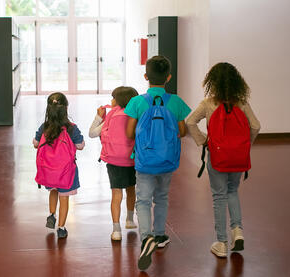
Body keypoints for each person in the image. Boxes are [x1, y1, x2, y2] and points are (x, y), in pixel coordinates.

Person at [186, 62, 261, 257]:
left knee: (219, 196)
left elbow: (190, 122)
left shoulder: (208, 104)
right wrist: (244, 146)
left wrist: (203, 141)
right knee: (232, 191)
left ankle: (221, 242)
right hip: (237, 158)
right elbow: (256, 126)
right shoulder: (242, 103)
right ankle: (238, 230)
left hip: (217, 157)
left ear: (213, 83)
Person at [125, 56, 191, 270]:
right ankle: (160, 234)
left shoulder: (137, 102)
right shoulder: (176, 101)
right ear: (168, 77)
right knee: (161, 196)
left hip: (144, 160)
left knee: (143, 200)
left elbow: (129, 133)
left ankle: (147, 239)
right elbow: (182, 131)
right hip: (167, 160)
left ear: (146, 76)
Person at [88, 86, 139, 241]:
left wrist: (98, 117)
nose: (110, 100)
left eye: (112, 97)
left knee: (116, 194)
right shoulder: (135, 115)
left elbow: (92, 133)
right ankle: (130, 220)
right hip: (132, 159)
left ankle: (116, 230)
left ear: (117, 101)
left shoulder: (111, 114)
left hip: (113, 160)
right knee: (131, 190)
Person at [33, 92, 85, 239]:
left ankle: (51, 214)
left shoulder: (45, 126)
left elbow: (36, 143)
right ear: (66, 108)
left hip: (49, 171)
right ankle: (61, 228)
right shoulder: (71, 128)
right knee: (64, 198)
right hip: (66, 172)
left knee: (53, 190)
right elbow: (80, 145)